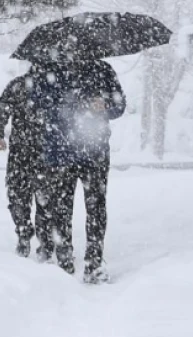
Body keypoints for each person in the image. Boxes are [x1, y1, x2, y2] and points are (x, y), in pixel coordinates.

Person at [33, 58, 125, 284]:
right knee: (62, 208)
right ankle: (64, 260)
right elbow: (37, 105)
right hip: (62, 151)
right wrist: (66, 106)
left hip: (95, 152)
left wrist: (105, 105)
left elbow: (119, 106)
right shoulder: (50, 71)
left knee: (96, 207)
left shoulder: (103, 69)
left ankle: (94, 262)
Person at [0, 65, 53, 261]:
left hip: (27, 151)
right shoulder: (48, 86)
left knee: (22, 197)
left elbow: (1, 107)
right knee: (41, 199)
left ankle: (29, 235)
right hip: (40, 152)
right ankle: (37, 239)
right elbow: (2, 108)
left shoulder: (20, 85)